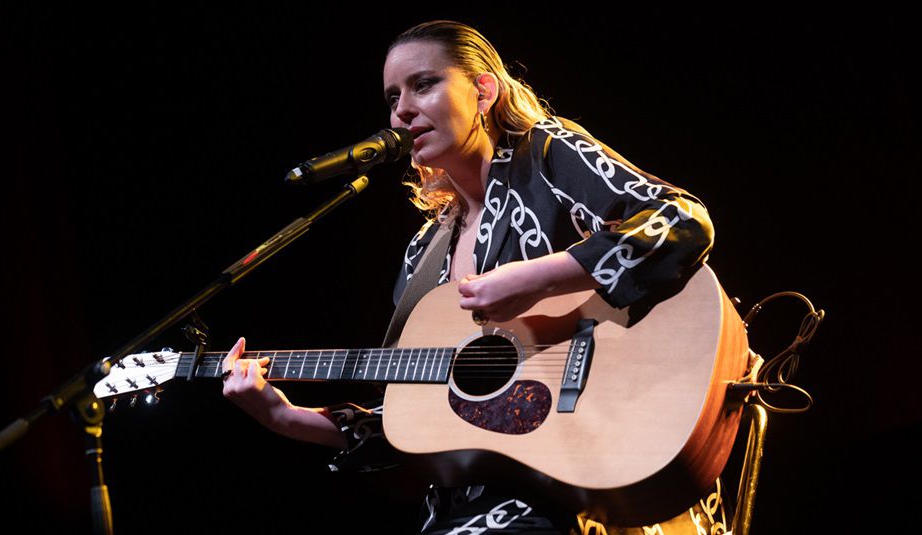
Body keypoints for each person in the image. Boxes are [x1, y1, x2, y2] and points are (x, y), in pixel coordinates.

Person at [220, 20, 727, 534]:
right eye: (392, 95)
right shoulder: (425, 253)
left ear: (484, 91)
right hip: (463, 509)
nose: (402, 110)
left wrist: (541, 277)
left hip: (581, 485)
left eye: (423, 84)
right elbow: (423, 421)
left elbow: (683, 221)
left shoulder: (543, 156)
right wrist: (288, 419)